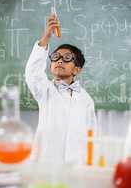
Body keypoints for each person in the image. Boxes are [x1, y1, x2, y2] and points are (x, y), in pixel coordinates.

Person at [25, 14, 97, 165]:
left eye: (67, 58)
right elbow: (33, 73)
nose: (59, 60)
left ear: (77, 70)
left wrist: (90, 163)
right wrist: (46, 37)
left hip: (77, 164)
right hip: (46, 162)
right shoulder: (45, 90)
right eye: (56, 57)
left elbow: (92, 135)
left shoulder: (86, 99)